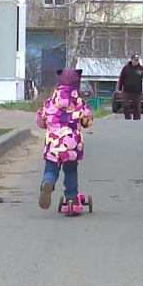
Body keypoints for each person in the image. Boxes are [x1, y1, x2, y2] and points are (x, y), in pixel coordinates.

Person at [35, 68, 94, 210]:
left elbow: (40, 119)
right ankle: (72, 198)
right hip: (71, 145)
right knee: (70, 171)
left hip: (53, 144)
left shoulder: (50, 102)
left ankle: (47, 183)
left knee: (50, 170)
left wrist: (47, 126)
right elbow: (88, 121)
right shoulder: (79, 103)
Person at [116, 54, 143, 120]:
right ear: (131, 60)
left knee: (137, 106)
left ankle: (136, 119)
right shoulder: (125, 68)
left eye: (137, 60)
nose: (136, 62)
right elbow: (121, 78)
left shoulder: (141, 69)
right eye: (135, 60)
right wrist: (119, 88)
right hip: (127, 91)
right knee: (126, 105)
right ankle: (127, 118)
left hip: (137, 91)